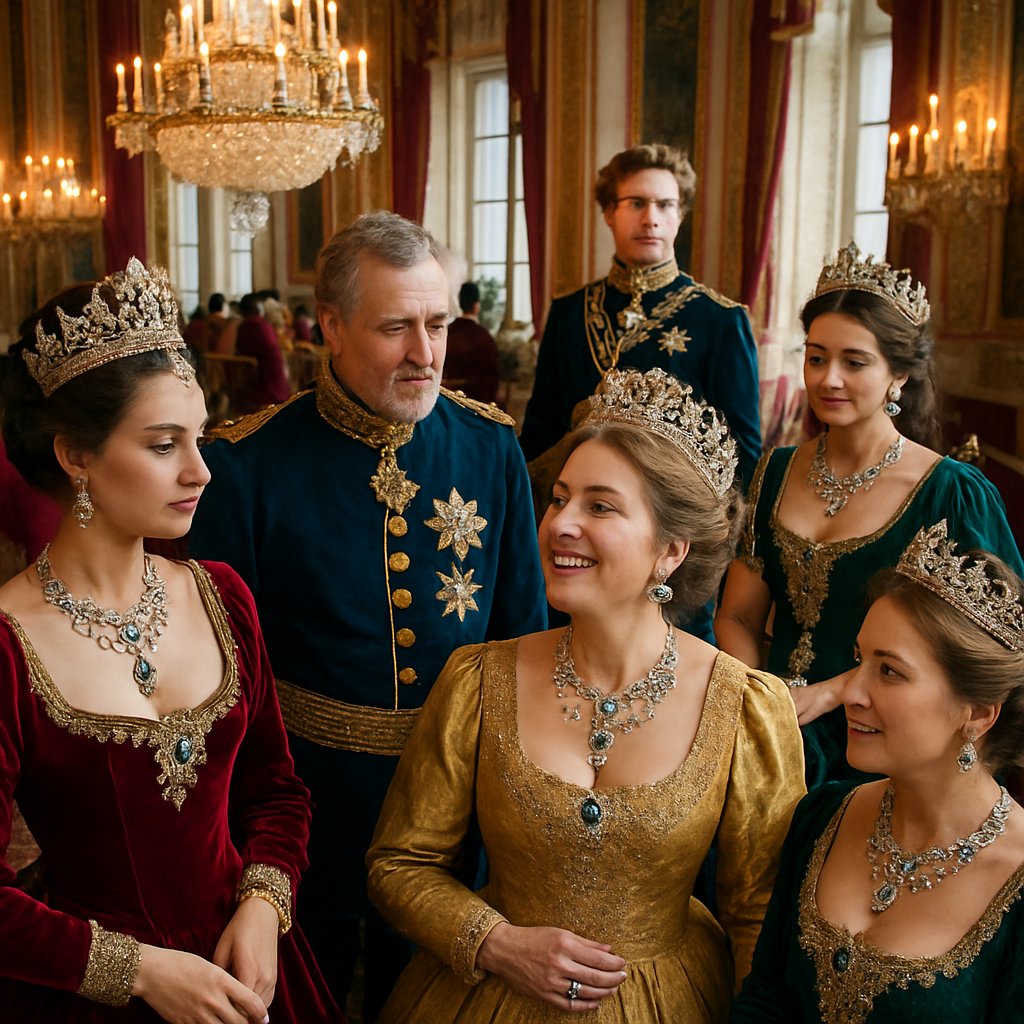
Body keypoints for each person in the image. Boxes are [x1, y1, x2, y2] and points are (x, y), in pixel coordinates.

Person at [189, 211, 547, 1020]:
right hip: (306, 804)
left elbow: (522, 637)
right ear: (332, 327)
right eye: (397, 327)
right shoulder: (245, 464)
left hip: (455, 803)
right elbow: (215, 679)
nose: (425, 352)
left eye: (438, 322)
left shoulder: (490, 447)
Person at [367, 367, 805, 1023]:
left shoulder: (743, 707)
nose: (560, 523)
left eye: (599, 506)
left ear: (671, 551)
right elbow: (399, 863)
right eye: (560, 498)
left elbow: (759, 916)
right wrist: (493, 941)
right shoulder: (477, 681)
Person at [0, 258, 342, 1022]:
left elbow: (275, 790)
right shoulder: (7, 641)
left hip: (245, 972)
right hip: (89, 989)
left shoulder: (221, 594)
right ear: (75, 455)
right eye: (163, 446)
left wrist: (261, 907)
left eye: (199, 437)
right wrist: (142, 972)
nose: (200, 471)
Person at [715, 242, 1023, 787]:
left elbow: (990, 651)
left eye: (854, 362)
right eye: (816, 357)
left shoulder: (951, 493)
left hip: (887, 749)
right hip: (768, 735)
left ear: (899, 375)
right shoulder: (775, 471)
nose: (828, 379)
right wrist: (764, 700)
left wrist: (836, 689)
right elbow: (739, 616)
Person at [732, 522, 1024, 1023]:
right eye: (858, 661)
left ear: (977, 714)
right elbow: (766, 997)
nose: (850, 692)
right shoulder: (823, 813)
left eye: (889, 671)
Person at [518, 143, 762, 498]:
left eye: (665, 205)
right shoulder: (569, 311)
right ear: (609, 213)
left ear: (680, 215)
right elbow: (541, 432)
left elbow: (743, 453)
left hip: (673, 517)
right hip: (572, 504)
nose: (651, 218)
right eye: (636, 203)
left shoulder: (721, 319)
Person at [441, 281, 500, 404]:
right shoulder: (483, 337)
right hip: (474, 405)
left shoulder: (444, 333)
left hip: (443, 402)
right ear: (476, 306)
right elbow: (490, 381)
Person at [234, 293, 290, 413]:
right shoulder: (262, 324)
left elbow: (241, 354)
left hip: (266, 390)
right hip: (277, 385)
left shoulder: (250, 325)